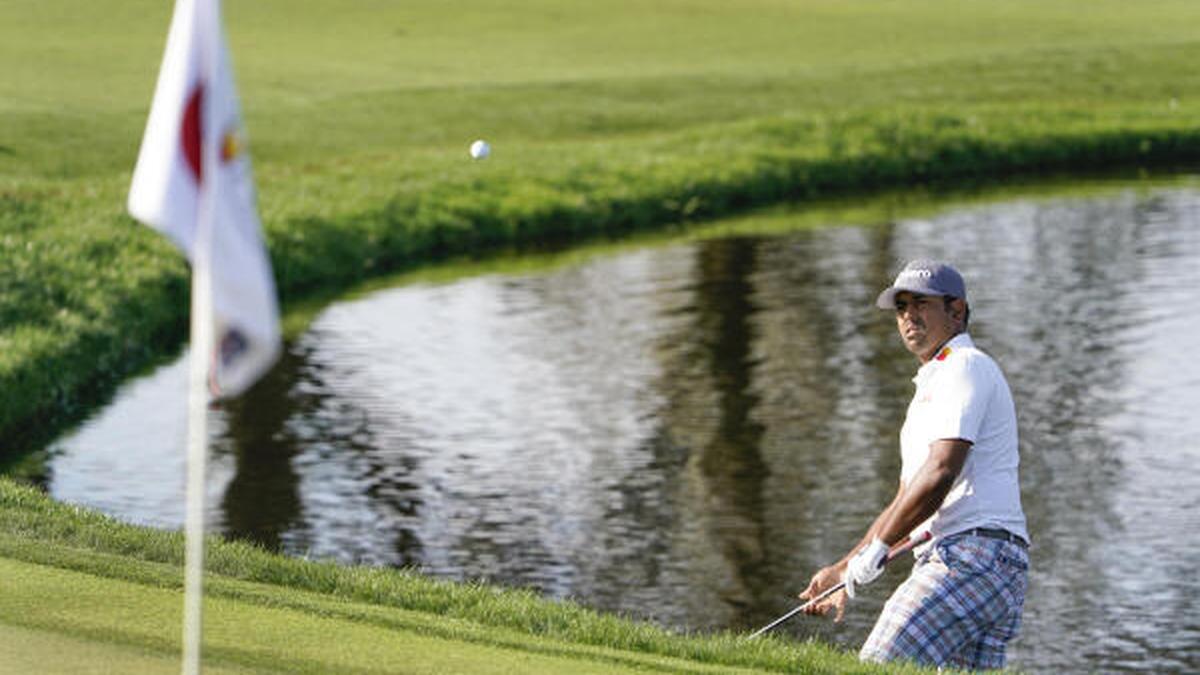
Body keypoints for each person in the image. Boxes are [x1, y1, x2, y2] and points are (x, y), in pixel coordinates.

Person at [798, 259, 1030, 670]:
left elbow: (941, 472)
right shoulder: (935, 382)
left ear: (955, 310)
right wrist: (846, 567)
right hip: (987, 563)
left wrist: (881, 549)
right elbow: (908, 496)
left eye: (920, 303)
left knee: (877, 666)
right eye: (901, 306)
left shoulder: (965, 366)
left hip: (973, 557)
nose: (908, 316)